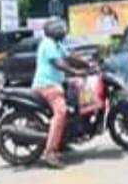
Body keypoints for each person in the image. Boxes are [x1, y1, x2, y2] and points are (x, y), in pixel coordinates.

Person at [31, 18, 90, 169]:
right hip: (47, 85)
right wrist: (75, 71)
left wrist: (88, 64)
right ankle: (50, 152)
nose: (63, 32)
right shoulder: (48, 44)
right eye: (61, 29)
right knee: (61, 112)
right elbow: (59, 63)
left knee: (76, 92)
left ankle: (64, 139)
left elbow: (69, 57)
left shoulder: (57, 45)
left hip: (56, 83)